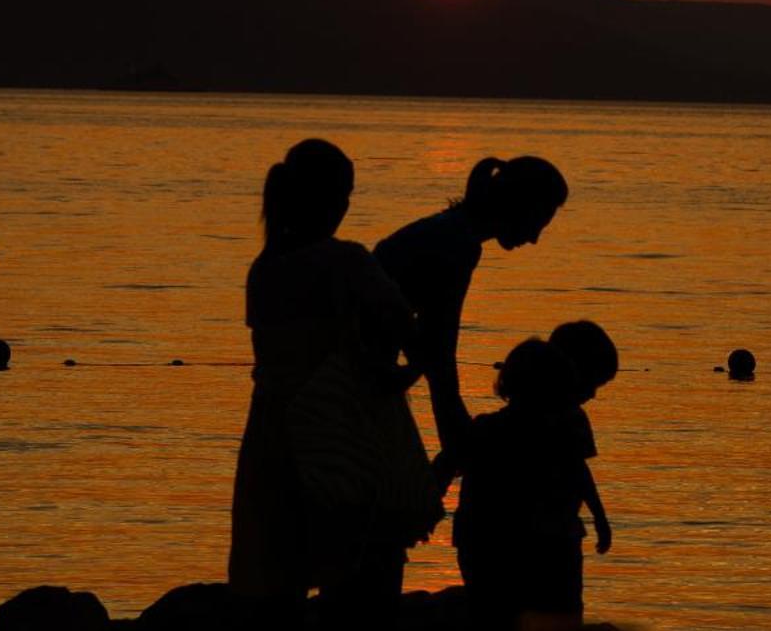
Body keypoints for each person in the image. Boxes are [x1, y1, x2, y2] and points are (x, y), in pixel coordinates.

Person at [228, 139, 442, 631]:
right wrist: (409, 372)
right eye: (344, 194)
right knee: (365, 584)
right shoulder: (346, 261)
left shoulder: (262, 270)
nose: (347, 205)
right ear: (328, 200)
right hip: (342, 440)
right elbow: (410, 334)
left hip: (273, 437)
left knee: (276, 583)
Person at [374, 156, 569, 460]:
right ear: (518, 206)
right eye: (536, 223)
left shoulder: (449, 232)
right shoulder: (457, 244)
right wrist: (457, 438)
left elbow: (430, 346)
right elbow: (439, 346)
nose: (533, 239)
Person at [453, 337, 613, 631]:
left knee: (499, 613)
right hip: (536, 544)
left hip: (506, 545)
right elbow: (579, 472)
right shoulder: (557, 431)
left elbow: (447, 466)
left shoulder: (488, 429)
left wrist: (600, 518)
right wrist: (600, 518)